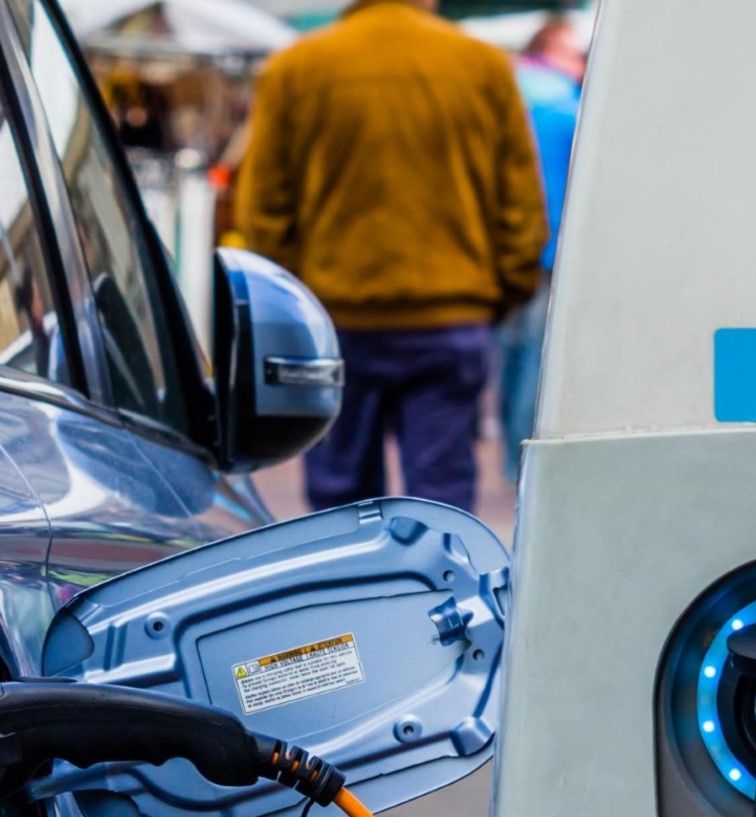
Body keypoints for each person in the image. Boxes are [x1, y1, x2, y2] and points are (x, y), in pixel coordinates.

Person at [236, 0, 547, 513]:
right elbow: (520, 205)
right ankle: (441, 593)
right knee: (442, 497)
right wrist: (501, 293)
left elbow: (264, 210)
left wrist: (298, 304)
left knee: (341, 501)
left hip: (336, 322)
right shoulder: (481, 65)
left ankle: (351, 593)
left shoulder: (295, 69)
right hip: (451, 315)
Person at [499, 16, 585, 483]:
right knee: (536, 364)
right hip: (551, 251)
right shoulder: (566, 107)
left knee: (510, 359)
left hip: (509, 252)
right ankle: (524, 466)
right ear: (550, 53)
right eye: (572, 54)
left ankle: (509, 460)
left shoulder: (509, 96)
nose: (579, 64)